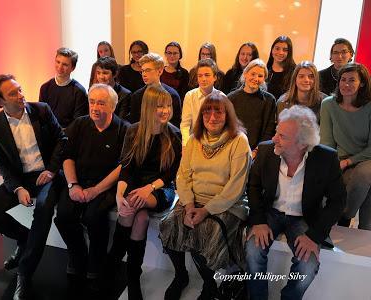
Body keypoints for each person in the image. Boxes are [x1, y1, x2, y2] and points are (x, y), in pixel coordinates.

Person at [0, 74, 67, 300]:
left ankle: (24, 274)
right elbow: (2, 164)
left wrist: (52, 170)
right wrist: (17, 188)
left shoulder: (41, 110)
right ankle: (24, 237)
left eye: (20, 90)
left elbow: (61, 140)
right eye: (13, 94)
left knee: (44, 209)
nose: (20, 96)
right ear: (0, 102)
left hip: (47, 174)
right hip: (21, 179)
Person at [246, 105, 346, 300]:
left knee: (308, 264)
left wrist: (314, 236)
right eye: (277, 131)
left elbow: (338, 201)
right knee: (252, 251)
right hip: (270, 213)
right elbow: (254, 186)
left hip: (303, 217)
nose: (274, 138)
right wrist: (258, 221)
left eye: (282, 136)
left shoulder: (326, 158)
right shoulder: (267, 150)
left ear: (301, 143)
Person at [159, 93, 251, 300]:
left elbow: (235, 186)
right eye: (207, 112)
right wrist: (189, 204)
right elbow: (183, 176)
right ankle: (181, 276)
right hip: (193, 200)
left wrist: (205, 210)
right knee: (169, 224)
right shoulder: (193, 140)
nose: (212, 117)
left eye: (218, 111)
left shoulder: (239, 141)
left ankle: (210, 284)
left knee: (206, 231)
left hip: (227, 203)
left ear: (227, 115)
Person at [108, 85, 182, 300]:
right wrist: (119, 195)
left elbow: (171, 174)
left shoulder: (174, 134)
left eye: (167, 105)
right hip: (136, 186)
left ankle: (115, 257)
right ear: (149, 107)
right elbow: (127, 168)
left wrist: (149, 188)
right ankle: (133, 278)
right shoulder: (134, 131)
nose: (165, 110)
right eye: (160, 106)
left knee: (135, 205)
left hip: (161, 188)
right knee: (139, 218)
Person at [54, 84, 129, 292]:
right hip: (78, 181)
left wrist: (96, 190)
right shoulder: (79, 124)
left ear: (113, 106)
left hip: (106, 185)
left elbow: (123, 166)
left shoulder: (124, 129)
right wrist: (72, 185)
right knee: (63, 216)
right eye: (92, 101)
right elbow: (66, 156)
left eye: (101, 103)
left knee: (93, 217)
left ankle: (97, 260)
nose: (95, 107)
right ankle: (77, 254)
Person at [320, 62, 371, 230]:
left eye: (352, 80)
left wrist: (349, 162)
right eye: (343, 79)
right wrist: (333, 164)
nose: (346, 84)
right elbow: (326, 142)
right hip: (340, 158)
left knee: (364, 175)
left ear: (362, 83)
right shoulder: (328, 104)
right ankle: (362, 230)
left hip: (366, 158)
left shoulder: (369, 106)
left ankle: (344, 216)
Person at [227, 59, 276, 154]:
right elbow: (227, 127)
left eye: (260, 76)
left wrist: (257, 151)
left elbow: (269, 131)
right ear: (245, 74)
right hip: (233, 150)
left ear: (264, 79)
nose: (256, 78)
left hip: (258, 152)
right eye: (253, 74)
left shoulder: (270, 100)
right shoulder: (231, 98)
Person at [39, 47, 88, 128]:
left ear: (73, 68)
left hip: (69, 137)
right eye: (58, 62)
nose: (60, 67)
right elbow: (42, 117)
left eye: (65, 64)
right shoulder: (45, 88)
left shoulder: (79, 91)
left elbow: (78, 124)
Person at [129, 53, 182, 127]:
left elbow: (176, 123)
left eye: (147, 70)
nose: (144, 74)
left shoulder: (172, 95)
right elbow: (134, 123)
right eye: (142, 71)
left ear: (160, 71)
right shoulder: (137, 96)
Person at [181, 58, 225, 146]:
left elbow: (222, 126)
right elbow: (185, 125)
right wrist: (186, 145)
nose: (203, 79)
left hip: (215, 143)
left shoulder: (222, 97)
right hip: (194, 142)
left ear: (215, 77)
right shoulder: (190, 96)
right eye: (200, 76)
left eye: (207, 75)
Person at [266, 36, 296, 100]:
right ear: (272, 50)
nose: (280, 53)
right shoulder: (265, 69)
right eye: (277, 49)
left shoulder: (295, 72)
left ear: (289, 53)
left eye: (285, 50)